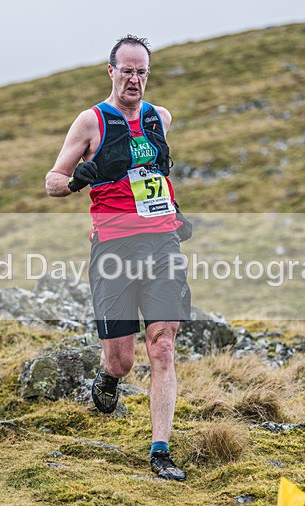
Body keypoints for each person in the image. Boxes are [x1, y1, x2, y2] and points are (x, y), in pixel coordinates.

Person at [45, 35, 191, 481]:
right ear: (111, 71)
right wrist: (80, 178)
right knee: (122, 360)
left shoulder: (159, 118)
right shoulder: (90, 122)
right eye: (126, 70)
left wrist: (173, 209)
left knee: (163, 345)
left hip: (162, 244)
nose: (134, 79)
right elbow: (52, 181)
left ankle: (160, 450)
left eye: (141, 72)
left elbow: (154, 173)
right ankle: (107, 378)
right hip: (112, 249)